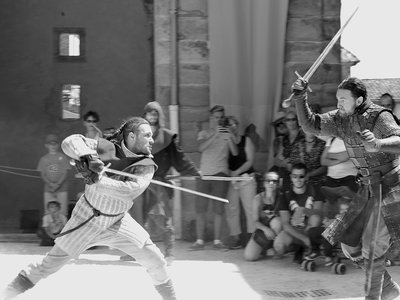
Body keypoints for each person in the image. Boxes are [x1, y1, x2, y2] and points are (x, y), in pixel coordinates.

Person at [1, 117, 177, 300]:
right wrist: (87, 156)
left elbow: (129, 190)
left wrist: (97, 179)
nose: (152, 140)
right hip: (86, 218)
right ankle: (5, 295)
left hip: (118, 220)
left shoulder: (146, 165)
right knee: (47, 266)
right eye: (147, 135)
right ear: (132, 136)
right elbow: (70, 141)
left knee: (155, 260)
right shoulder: (106, 147)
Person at [292, 76, 400, 299]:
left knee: (373, 249)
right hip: (368, 187)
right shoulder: (340, 119)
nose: (338, 103)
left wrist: (378, 144)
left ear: (359, 100)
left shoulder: (380, 116)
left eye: (343, 99)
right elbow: (309, 125)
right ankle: (388, 289)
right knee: (349, 246)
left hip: (391, 186)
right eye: (337, 99)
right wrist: (300, 97)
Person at [121, 101, 200, 264]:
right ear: (144, 116)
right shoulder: (137, 137)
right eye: (149, 113)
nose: (152, 116)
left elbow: (180, 158)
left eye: (155, 113)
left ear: (159, 116)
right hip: (139, 182)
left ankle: (169, 252)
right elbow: (128, 158)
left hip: (158, 183)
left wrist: (194, 171)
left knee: (163, 218)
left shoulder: (167, 136)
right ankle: (135, 252)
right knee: (136, 219)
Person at [189, 105, 238, 251]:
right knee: (200, 208)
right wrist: (215, 134)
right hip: (204, 173)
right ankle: (199, 241)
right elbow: (200, 148)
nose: (218, 120)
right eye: (216, 117)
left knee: (218, 209)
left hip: (220, 173)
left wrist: (228, 135)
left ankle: (217, 241)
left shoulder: (227, 133)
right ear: (211, 118)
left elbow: (234, 152)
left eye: (221, 117)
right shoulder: (205, 133)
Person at [273, 163, 323, 264]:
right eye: (295, 176)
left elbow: (318, 213)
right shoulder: (285, 194)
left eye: (301, 176)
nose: (298, 179)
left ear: (306, 177)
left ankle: (305, 246)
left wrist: (302, 210)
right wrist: (304, 239)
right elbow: (286, 225)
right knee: (279, 247)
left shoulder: (315, 189)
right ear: (291, 177)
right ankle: (297, 246)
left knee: (316, 218)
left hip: (309, 228)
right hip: (293, 229)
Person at [225, 115, 257, 249]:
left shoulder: (246, 140)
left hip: (246, 177)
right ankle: (236, 237)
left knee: (250, 208)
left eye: (235, 124)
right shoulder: (225, 141)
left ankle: (252, 238)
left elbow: (250, 160)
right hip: (232, 179)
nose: (233, 127)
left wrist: (236, 172)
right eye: (229, 125)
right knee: (231, 208)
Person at [244, 172, 282, 261]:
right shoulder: (257, 199)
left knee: (277, 222)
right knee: (249, 257)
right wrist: (266, 229)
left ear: (278, 183)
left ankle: (277, 248)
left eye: (274, 181)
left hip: (278, 230)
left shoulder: (282, 197)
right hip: (263, 229)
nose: (271, 183)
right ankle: (266, 249)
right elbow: (255, 221)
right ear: (264, 183)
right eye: (268, 181)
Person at [37, 134, 71, 217]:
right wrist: (51, 184)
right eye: (50, 144)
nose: (53, 146)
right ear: (46, 145)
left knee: (62, 211)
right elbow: (43, 174)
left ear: (58, 145)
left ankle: (62, 229)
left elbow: (65, 173)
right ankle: (50, 229)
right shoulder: (43, 159)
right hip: (49, 188)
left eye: (55, 144)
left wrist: (58, 184)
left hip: (62, 188)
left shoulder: (63, 157)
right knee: (48, 210)